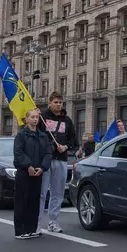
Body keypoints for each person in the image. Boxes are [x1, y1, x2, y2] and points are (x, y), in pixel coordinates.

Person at [37, 91, 77, 233]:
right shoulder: (42, 117)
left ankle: (53, 222)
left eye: (60, 102)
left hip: (61, 160)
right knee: (41, 193)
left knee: (58, 192)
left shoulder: (67, 120)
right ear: (50, 103)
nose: (59, 105)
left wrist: (65, 147)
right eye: (56, 102)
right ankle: (37, 223)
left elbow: (73, 139)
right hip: (45, 160)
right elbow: (37, 135)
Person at [13, 109, 52, 239]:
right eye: (33, 117)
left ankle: (31, 229)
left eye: (37, 117)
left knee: (34, 201)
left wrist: (42, 167)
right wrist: (28, 165)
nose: (35, 119)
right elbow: (18, 153)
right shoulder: (21, 135)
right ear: (27, 119)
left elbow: (48, 153)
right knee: (22, 201)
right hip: (24, 172)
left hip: (38, 173)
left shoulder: (42, 136)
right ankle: (20, 231)